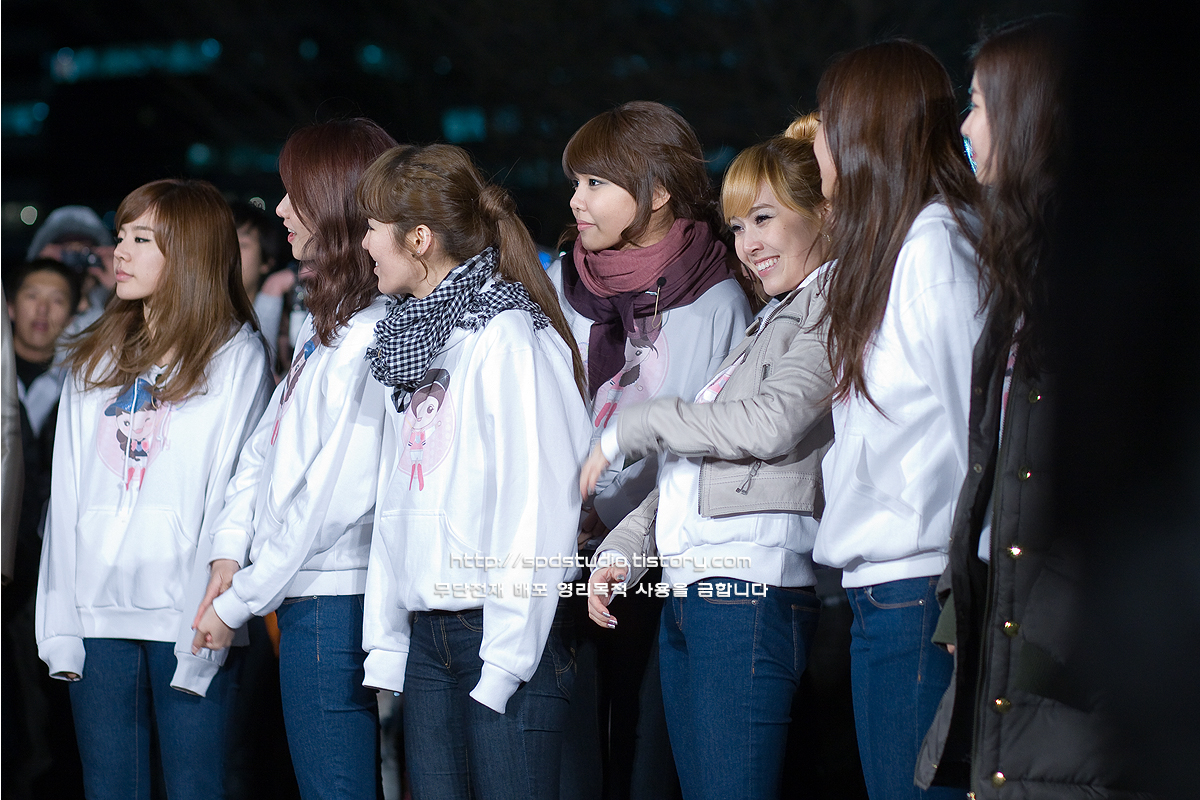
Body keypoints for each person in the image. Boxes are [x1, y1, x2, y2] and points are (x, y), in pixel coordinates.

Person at [581, 116, 835, 800]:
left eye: (764, 219)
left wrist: (636, 426)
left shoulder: (830, 305)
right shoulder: (770, 317)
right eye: (738, 227)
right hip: (697, 588)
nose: (748, 244)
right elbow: (692, 469)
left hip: (750, 590)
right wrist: (623, 550)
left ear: (824, 214)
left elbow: (770, 423)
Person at [912, 18, 1128, 799]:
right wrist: (959, 606)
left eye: (978, 104)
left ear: (1032, 113)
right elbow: (993, 468)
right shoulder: (1024, 280)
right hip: (1006, 639)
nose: (966, 128)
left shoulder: (1108, 277)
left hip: (1074, 670)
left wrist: (1047, 644)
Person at [357, 142, 591, 800]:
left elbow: (537, 502)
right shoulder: (410, 342)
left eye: (373, 227)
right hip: (430, 631)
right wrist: (388, 640)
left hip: (499, 631)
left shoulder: (506, 334)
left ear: (419, 238)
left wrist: (508, 656)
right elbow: (398, 499)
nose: (365, 243)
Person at [34, 179, 274, 800]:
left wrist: (214, 610)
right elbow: (66, 498)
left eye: (141, 239)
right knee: (108, 787)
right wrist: (58, 625)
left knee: (197, 786)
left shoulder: (236, 355)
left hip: (189, 616)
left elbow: (235, 491)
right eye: (122, 236)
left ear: (188, 252)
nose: (119, 251)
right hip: (95, 613)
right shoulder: (92, 356)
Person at [550, 100, 753, 800]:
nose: (576, 200)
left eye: (595, 183)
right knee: (577, 761)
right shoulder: (565, 287)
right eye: (575, 183)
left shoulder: (715, 299)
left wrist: (620, 521)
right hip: (566, 548)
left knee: (646, 758)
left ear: (658, 192)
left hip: (660, 557)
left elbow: (701, 434)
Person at [191, 118, 398, 800]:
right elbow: (264, 448)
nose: (280, 209)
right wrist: (230, 551)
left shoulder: (373, 333)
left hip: (336, 595)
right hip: (305, 592)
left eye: (295, 193)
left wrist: (241, 598)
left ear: (337, 203)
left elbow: (331, 498)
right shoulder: (327, 327)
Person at [809, 41, 984, 800]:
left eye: (827, 121)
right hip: (884, 592)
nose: (817, 140)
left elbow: (984, 432)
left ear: (864, 132)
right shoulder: (899, 247)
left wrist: (970, 596)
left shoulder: (935, 249)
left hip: (920, 593)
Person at [25, 205, 116, 334]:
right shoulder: (37, 314)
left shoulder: (114, 313)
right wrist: (41, 268)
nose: (74, 260)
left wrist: (119, 290)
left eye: (83, 253)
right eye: (66, 253)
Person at [232, 201, 294, 370]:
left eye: (242, 244)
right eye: (224, 243)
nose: (230, 252)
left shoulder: (287, 323)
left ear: (266, 261)